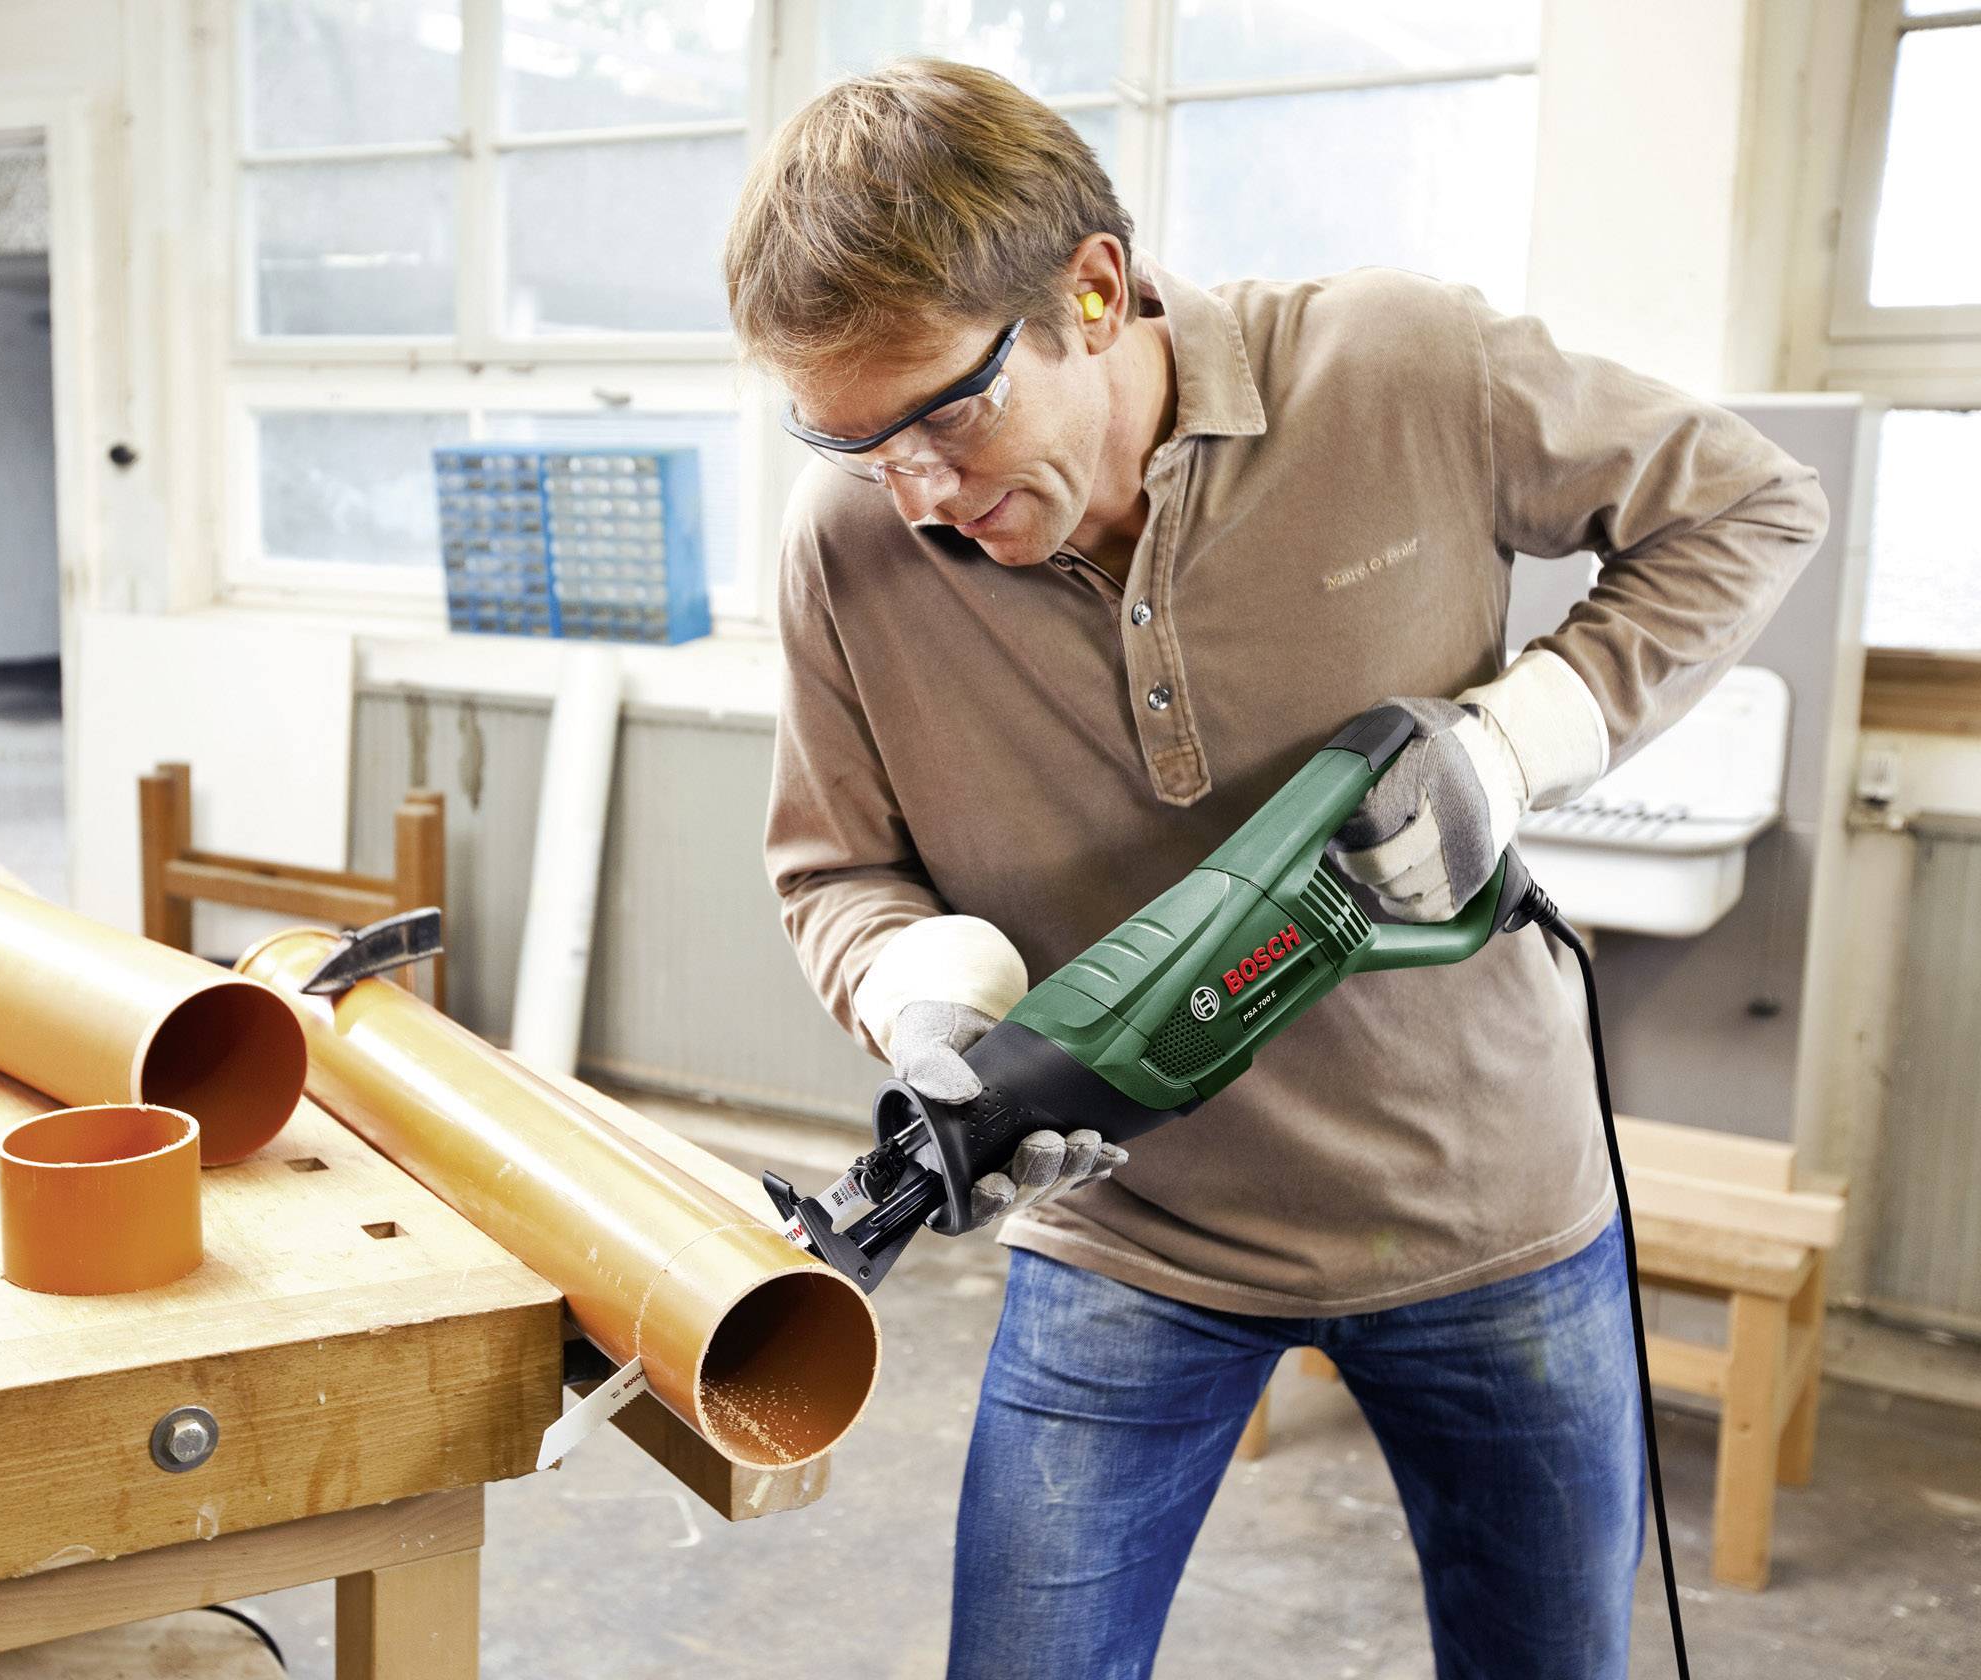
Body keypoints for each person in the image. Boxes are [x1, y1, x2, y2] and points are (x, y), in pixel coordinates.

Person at [723, 59, 1826, 1680]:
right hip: (1130, 1241)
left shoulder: (1394, 366)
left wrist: (1519, 743)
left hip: (1487, 1221)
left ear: (1093, 291)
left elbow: (1746, 504)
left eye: (948, 414)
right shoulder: (854, 541)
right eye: (849, 441)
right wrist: (926, 995)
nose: (923, 496)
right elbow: (834, 870)